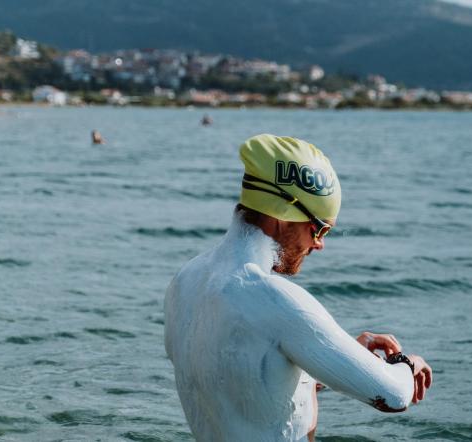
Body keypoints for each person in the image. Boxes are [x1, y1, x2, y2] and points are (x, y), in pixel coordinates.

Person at [164, 134, 432, 441]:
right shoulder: (273, 298)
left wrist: (345, 355)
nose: (319, 244)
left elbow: (240, 385)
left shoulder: (184, 283)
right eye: (319, 229)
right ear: (281, 216)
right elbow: (393, 395)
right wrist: (409, 364)